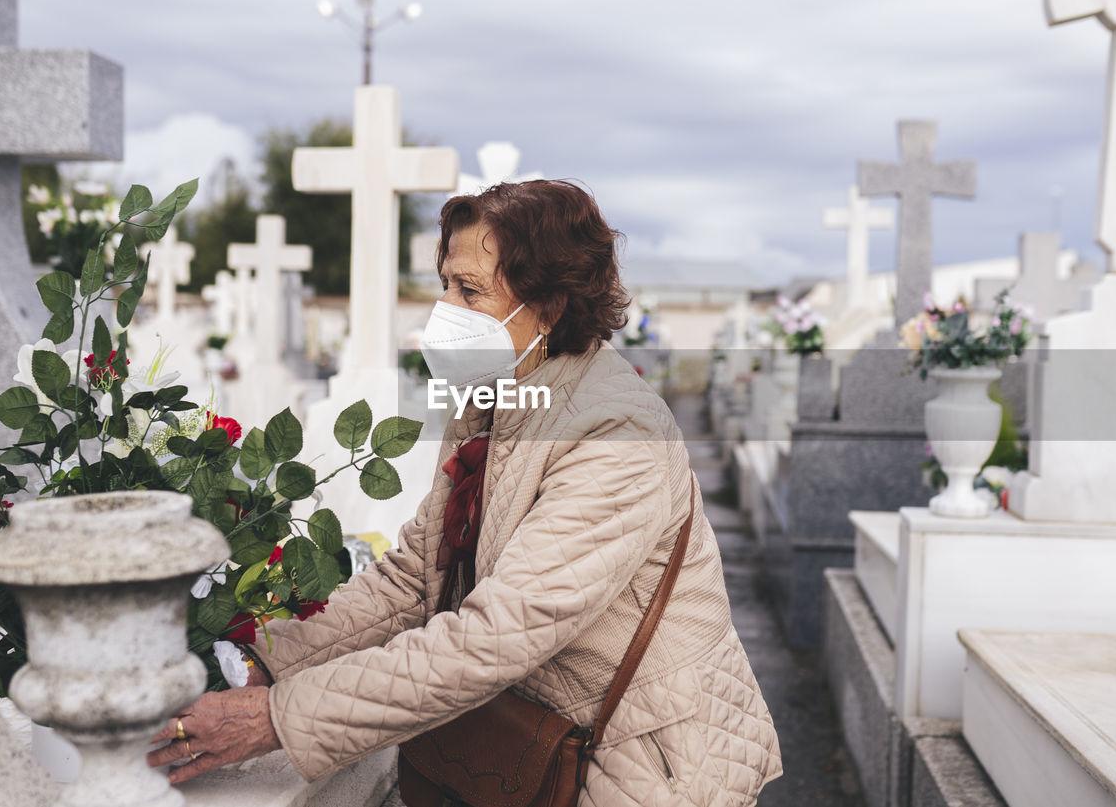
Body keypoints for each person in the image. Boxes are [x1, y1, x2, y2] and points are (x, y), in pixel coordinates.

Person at [148, 179, 782, 805]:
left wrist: (279, 718)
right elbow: (412, 580)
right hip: (552, 735)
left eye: (471, 290)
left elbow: (496, 635)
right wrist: (264, 660)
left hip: (649, 761)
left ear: (552, 303)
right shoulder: (494, 398)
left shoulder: (616, 434)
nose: (446, 310)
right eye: (445, 285)